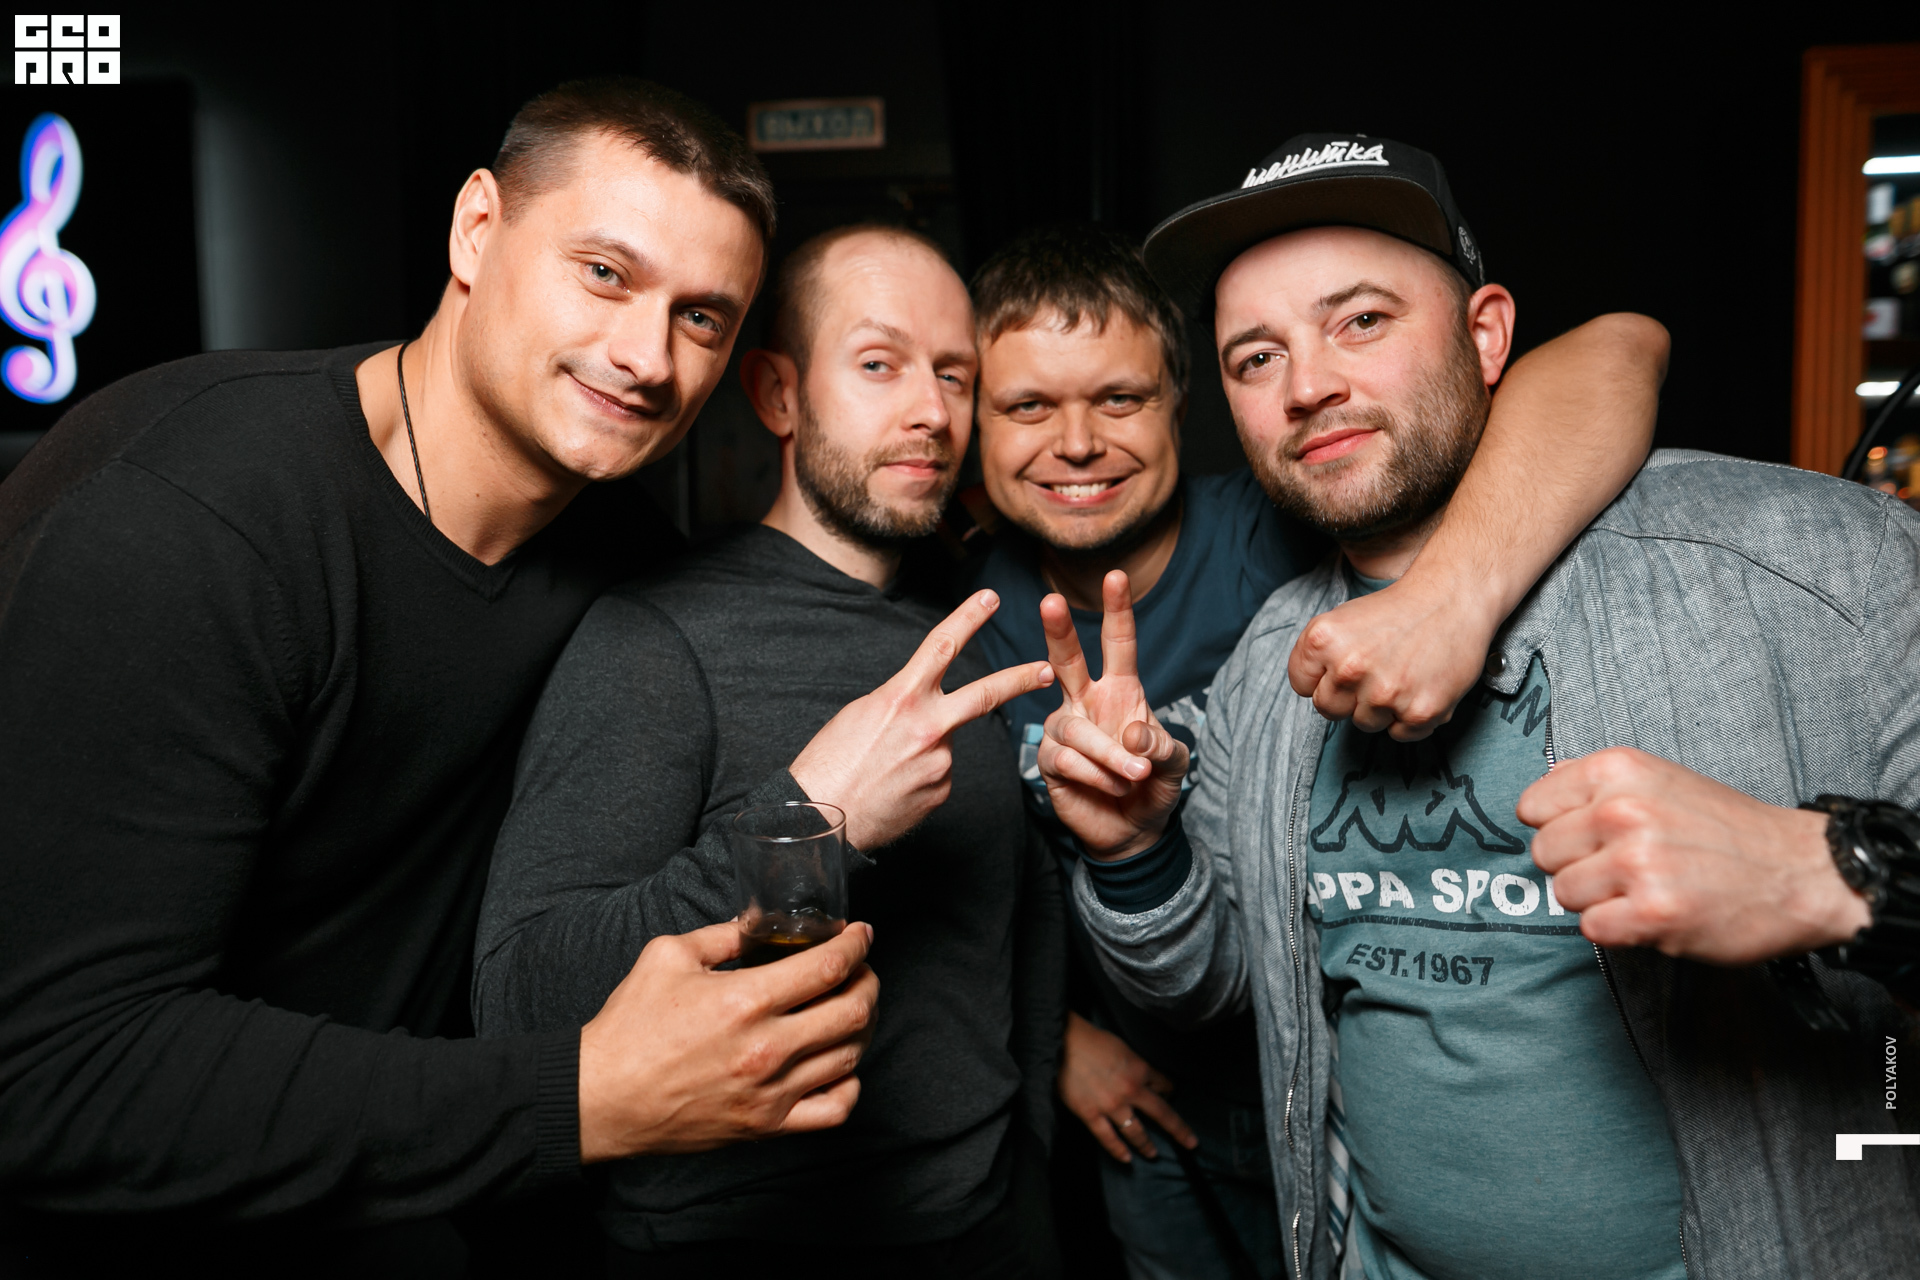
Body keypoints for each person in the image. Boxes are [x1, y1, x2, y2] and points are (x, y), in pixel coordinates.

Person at [0, 79, 885, 1277]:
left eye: (701, 318)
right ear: (477, 230)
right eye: (605, 274)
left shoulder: (622, 559)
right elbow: (55, 1072)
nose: (646, 357)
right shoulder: (190, 522)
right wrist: (581, 1095)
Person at [1033, 135, 1920, 1280]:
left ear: (1488, 334)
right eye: (1257, 355)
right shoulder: (1270, 661)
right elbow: (1214, 983)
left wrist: (1833, 872)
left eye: (1361, 321)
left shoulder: (1810, 564)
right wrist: (1134, 851)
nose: (1307, 386)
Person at [961, 223, 1666, 1279]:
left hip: (1342, 1085)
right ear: (974, 422)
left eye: (1119, 398)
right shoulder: (959, 612)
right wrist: (1058, 1040)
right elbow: (961, 894)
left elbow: (1615, 351)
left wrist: (1448, 596)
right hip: (1145, 1085)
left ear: (1182, 403)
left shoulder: (1293, 517)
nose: (1077, 443)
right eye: (1026, 406)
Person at [471, 224, 1062, 1279]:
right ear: (780, 395)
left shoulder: (972, 621)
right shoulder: (656, 640)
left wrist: (1034, 1169)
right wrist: (811, 820)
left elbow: (1013, 933)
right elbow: (522, 1000)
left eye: (954, 375)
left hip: (986, 1226)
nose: (932, 412)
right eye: (878, 364)